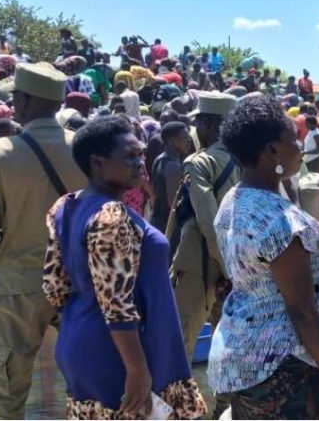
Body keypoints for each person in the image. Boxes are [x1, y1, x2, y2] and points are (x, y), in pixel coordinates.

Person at [210, 96, 319, 419]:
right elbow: (302, 311)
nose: (300, 147)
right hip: (282, 368)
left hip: (240, 356)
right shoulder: (280, 223)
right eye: (293, 139)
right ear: (272, 150)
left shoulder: (234, 201)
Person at [43, 116, 207, 419]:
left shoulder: (65, 206)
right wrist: (137, 369)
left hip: (80, 341)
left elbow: (55, 286)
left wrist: (81, 328)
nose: (140, 163)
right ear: (97, 162)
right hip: (123, 353)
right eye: (130, 156)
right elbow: (116, 303)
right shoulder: (112, 216)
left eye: (141, 154)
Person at [0, 63, 88, 419]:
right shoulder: (85, 147)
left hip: (18, 284)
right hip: (79, 284)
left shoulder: (0, 153)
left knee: (9, 391)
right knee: (89, 383)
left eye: (16, 96)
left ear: (25, 100)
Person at [169, 92, 240, 361]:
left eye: (198, 123)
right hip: (239, 262)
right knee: (231, 345)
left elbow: (210, 223)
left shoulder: (200, 162)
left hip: (202, 263)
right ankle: (225, 403)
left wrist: (225, 268)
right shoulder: (249, 160)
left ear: (207, 124)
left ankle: (178, 403)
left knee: (179, 344)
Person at [150, 121, 190, 236]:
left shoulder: (160, 159)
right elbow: (173, 203)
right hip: (169, 226)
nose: (189, 141)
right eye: (185, 138)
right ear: (172, 141)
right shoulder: (173, 166)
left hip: (158, 220)